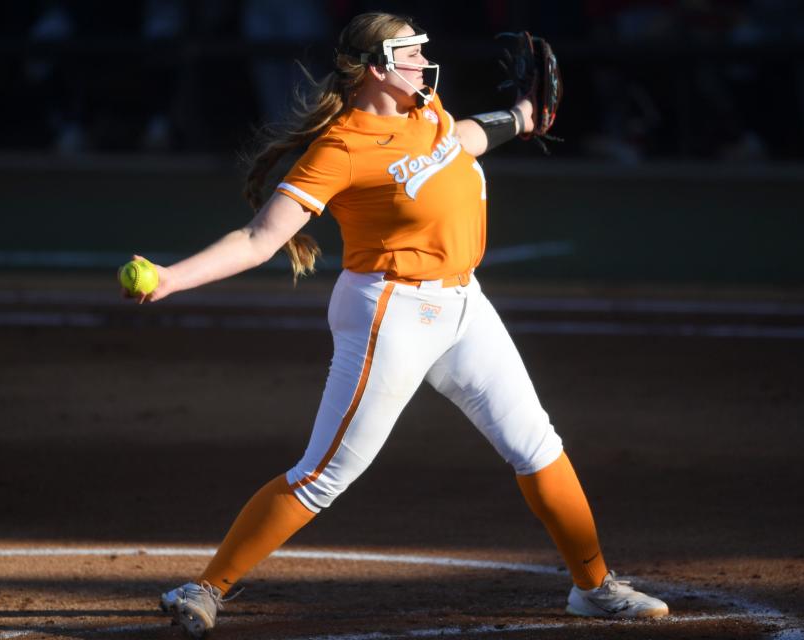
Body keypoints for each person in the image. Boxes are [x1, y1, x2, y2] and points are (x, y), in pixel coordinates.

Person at [124, 12, 670, 638]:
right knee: (325, 473)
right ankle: (206, 588)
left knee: (537, 446)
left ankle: (594, 588)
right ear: (378, 68)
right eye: (411, 53)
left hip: (466, 305)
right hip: (390, 312)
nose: (424, 62)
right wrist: (169, 279)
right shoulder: (341, 146)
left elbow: (459, 139)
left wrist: (520, 118)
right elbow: (257, 239)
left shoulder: (426, 106)